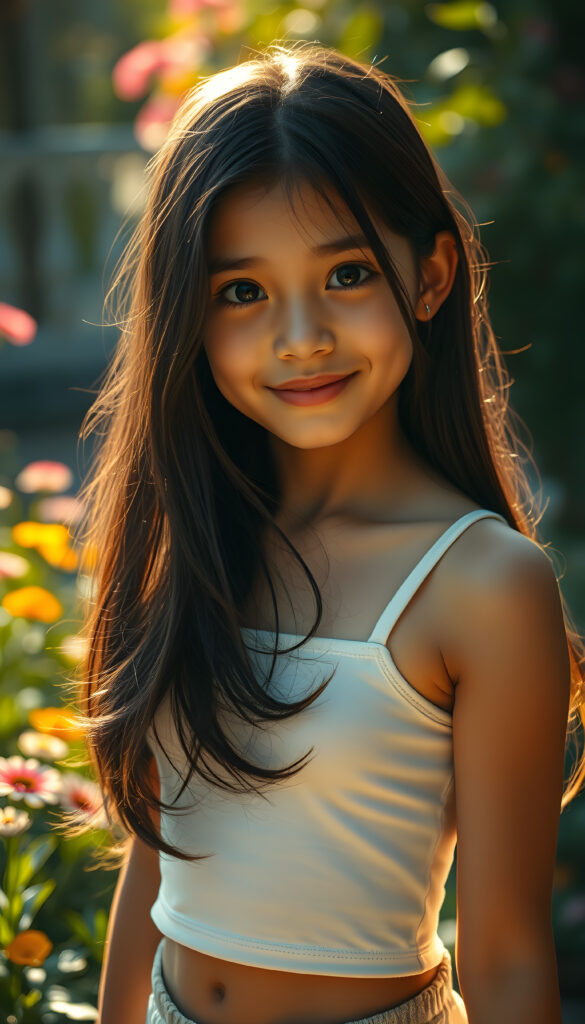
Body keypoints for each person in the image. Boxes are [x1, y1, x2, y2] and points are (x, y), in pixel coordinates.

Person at [75, 40, 585, 1024]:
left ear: (432, 276)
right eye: (243, 291)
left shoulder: (484, 584)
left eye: (346, 273)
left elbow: (510, 957)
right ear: (189, 314)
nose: (300, 334)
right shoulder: (202, 537)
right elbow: (159, 862)